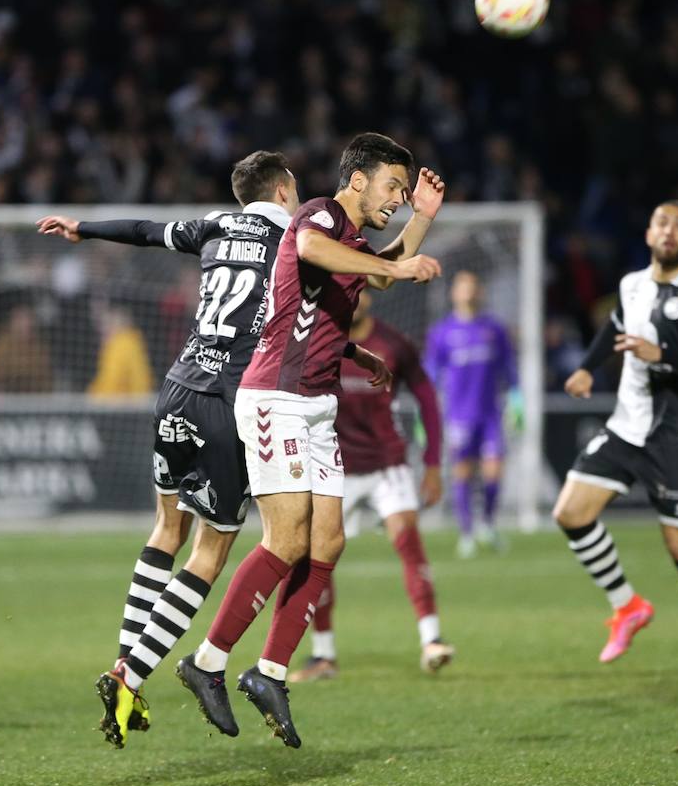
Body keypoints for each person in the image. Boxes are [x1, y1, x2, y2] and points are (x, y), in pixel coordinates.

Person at [176, 131, 445, 749]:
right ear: (357, 180)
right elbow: (313, 248)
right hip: (277, 398)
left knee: (329, 539)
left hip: (319, 405)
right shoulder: (319, 213)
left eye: (405, 192)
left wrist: (422, 222)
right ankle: (208, 660)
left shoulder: (353, 242)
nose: (398, 199)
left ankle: (270, 673)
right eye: (393, 188)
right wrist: (394, 262)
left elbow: (377, 280)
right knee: (288, 536)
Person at [37, 151, 300, 749]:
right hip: (226, 404)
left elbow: (144, 232)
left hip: (178, 387)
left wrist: (83, 229)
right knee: (210, 552)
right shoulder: (294, 241)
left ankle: (125, 671)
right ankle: (129, 674)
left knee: (165, 529)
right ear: (283, 191)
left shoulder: (213, 224)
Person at [553, 200, 678, 714]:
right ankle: (628, 606)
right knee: (570, 512)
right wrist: (590, 367)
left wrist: (664, 356)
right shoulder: (633, 284)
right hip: (625, 426)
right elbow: (614, 326)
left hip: (673, 435)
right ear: (648, 231)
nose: (670, 231)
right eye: (662, 222)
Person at [289, 293, 453, 682]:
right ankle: (323, 654)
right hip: (334, 466)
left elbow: (427, 397)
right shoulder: (316, 339)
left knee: (408, 542)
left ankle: (432, 640)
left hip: (387, 464)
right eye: (348, 288)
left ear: (370, 294)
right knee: (316, 560)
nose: (354, 296)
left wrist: (432, 464)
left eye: (361, 288)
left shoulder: (394, 343)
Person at [424, 270, 520, 558]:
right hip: (458, 415)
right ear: (454, 293)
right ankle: (466, 533)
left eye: (473, 286)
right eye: (463, 286)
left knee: (493, 471)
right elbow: (430, 373)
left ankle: (487, 524)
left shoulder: (494, 329)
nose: (468, 291)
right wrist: (424, 409)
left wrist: (517, 398)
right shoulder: (442, 332)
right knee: (462, 472)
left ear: (480, 292)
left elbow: (509, 367)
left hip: (490, 414)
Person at [87, 302, 154, 397]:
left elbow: (112, 382)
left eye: (105, 325)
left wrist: (92, 400)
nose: (101, 331)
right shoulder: (132, 343)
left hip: (121, 407)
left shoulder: (121, 345)